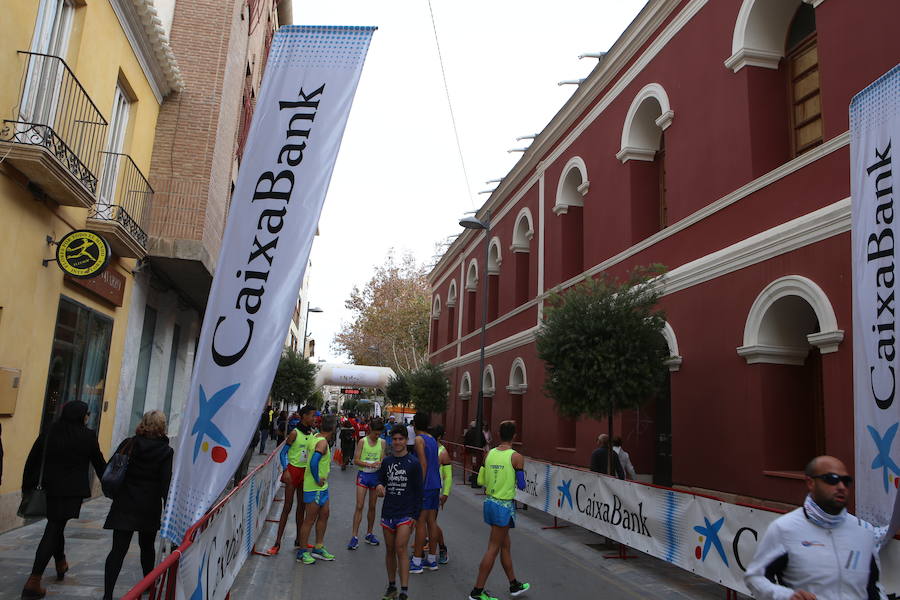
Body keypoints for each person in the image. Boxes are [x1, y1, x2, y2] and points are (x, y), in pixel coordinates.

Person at [745, 455, 895, 600]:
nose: (841, 486)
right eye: (832, 479)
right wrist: (786, 596)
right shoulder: (784, 528)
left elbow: (873, 587)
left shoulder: (863, 531)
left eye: (846, 481)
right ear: (811, 483)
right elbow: (755, 577)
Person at [21, 401, 106, 599]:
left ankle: (60, 562)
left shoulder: (50, 431)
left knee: (55, 525)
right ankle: (33, 580)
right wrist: (112, 486)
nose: (88, 417)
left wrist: (27, 486)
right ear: (81, 415)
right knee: (54, 527)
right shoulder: (88, 436)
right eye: (87, 414)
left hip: (48, 489)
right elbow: (99, 464)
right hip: (71, 492)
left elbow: (32, 459)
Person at [102, 411, 173, 600]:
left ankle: (107, 595)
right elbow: (165, 483)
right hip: (148, 505)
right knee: (147, 547)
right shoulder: (165, 451)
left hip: (125, 502)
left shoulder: (130, 443)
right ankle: (148, 586)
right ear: (162, 427)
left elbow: (112, 467)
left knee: (117, 550)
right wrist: (169, 510)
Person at [468, 420, 530, 600]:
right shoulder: (516, 457)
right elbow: (522, 484)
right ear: (515, 436)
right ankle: (477, 592)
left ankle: (513, 584)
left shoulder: (489, 454)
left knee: (505, 546)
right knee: (493, 548)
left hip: (490, 502)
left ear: (498, 434)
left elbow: (481, 479)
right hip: (504, 505)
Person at [376, 424, 423, 600]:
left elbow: (419, 493)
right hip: (388, 512)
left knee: (400, 548)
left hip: (406, 514)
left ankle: (404, 590)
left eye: (400, 439)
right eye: (394, 439)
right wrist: (380, 486)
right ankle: (392, 586)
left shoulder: (414, 463)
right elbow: (380, 479)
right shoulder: (387, 461)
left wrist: (415, 517)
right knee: (389, 550)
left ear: (406, 440)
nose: (397, 442)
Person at [267, 405, 316, 555]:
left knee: (302, 508)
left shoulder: (312, 433)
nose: (314, 418)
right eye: (312, 416)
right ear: (304, 416)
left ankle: (299, 540)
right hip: (293, 471)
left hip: (304, 472)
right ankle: (277, 543)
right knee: (287, 507)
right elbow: (283, 453)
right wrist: (286, 469)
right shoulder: (295, 433)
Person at [410, 412, 450, 574]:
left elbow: (423, 464)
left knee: (421, 523)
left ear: (414, 425)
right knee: (431, 522)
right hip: (435, 485)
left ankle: (417, 561)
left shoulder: (419, 440)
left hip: (425, 486)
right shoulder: (433, 440)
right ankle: (432, 560)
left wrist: (418, 487)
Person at [296, 414, 337, 564]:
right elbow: (313, 463)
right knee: (310, 519)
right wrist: (316, 478)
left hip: (322, 487)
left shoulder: (316, 436)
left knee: (325, 514)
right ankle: (302, 552)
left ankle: (318, 547)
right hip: (315, 486)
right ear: (333, 428)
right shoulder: (322, 443)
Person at [349, 418, 387, 549]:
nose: (377, 436)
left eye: (379, 434)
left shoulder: (382, 443)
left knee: (372, 506)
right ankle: (354, 536)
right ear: (370, 430)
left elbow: (382, 460)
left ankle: (369, 533)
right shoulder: (362, 441)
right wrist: (369, 464)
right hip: (364, 475)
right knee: (359, 506)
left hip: (375, 476)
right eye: (375, 433)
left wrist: (380, 465)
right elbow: (356, 460)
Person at [430, 424, 452, 564]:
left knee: (431, 523)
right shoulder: (425, 448)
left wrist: (445, 493)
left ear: (438, 437)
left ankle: (442, 548)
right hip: (423, 489)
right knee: (422, 522)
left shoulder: (442, 452)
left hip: (436, 491)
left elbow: (448, 476)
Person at [465, 420, 488, 488]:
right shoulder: (480, 433)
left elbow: (465, 440)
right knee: (477, 466)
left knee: (473, 465)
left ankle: (473, 478)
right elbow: (484, 442)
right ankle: (475, 481)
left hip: (470, 451)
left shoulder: (469, 432)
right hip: (477, 452)